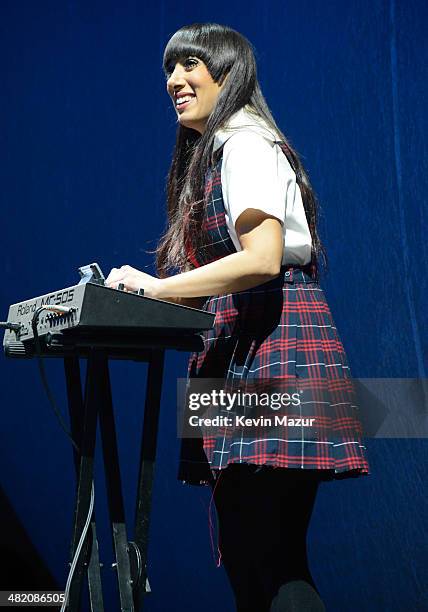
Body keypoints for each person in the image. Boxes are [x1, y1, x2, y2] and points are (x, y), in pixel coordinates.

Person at [106, 22, 370, 612]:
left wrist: (161, 288)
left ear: (227, 74)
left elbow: (262, 259)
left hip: (275, 340)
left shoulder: (246, 143)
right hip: (238, 344)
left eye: (189, 65)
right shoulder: (213, 155)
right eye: (168, 69)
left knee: (266, 550)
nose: (174, 80)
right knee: (251, 549)